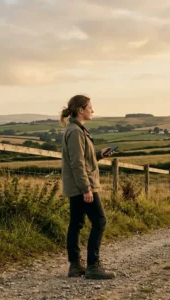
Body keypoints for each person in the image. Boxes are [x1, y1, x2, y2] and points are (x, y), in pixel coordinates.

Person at [60, 95, 116, 280]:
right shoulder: (76, 131)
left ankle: (75, 266)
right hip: (82, 186)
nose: (93, 110)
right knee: (99, 221)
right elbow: (77, 164)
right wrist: (86, 189)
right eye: (90, 107)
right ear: (81, 110)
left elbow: (83, 158)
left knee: (76, 224)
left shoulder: (77, 130)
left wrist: (99, 154)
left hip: (76, 185)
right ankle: (93, 266)